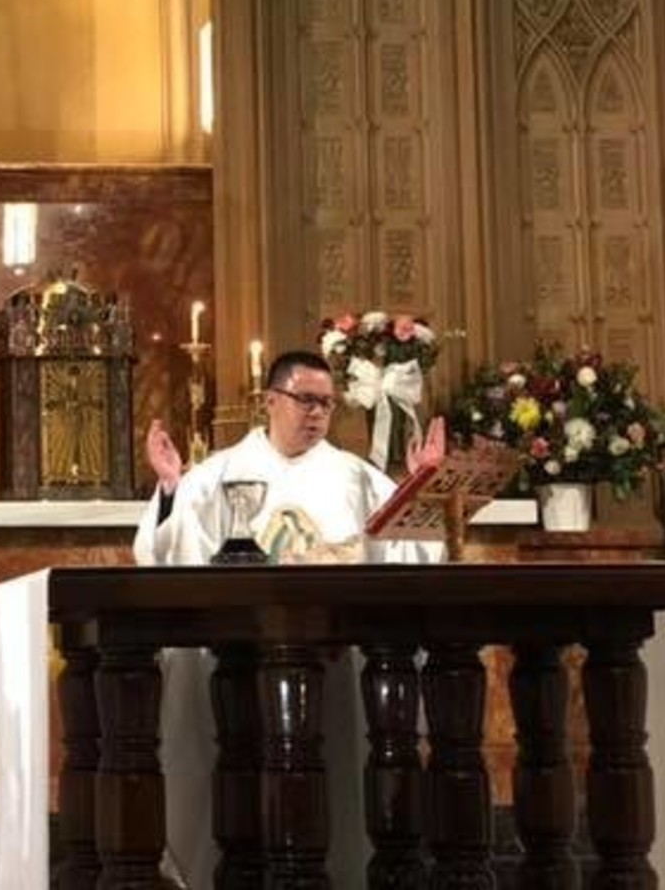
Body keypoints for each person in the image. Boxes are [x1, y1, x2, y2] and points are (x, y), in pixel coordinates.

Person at [135, 348, 445, 885]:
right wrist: (170, 489)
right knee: (240, 792)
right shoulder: (217, 475)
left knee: (339, 790)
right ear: (272, 401)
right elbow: (164, 552)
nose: (318, 413)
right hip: (241, 672)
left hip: (336, 666)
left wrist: (418, 488)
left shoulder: (359, 478)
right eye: (306, 400)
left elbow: (410, 556)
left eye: (327, 403)